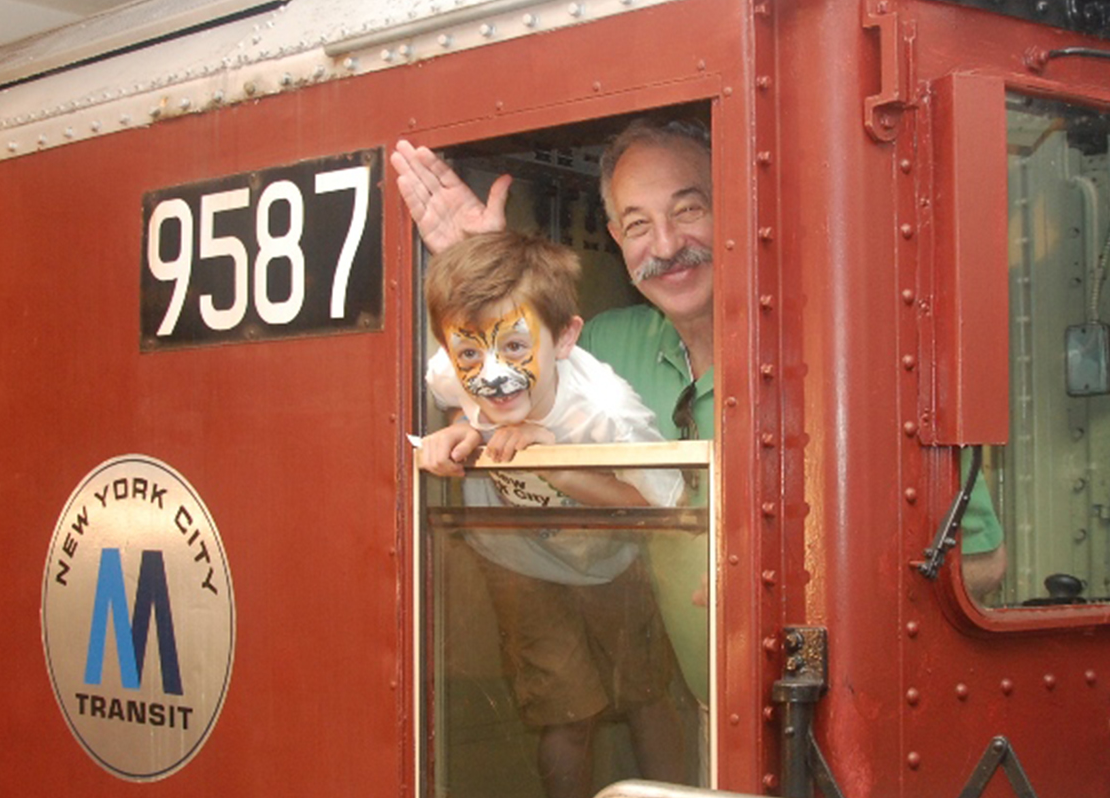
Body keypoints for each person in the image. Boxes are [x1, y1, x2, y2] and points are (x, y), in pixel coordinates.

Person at [394, 116, 1007, 699]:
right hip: (709, 715)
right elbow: (513, 388)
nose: (665, 244)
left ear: (737, 209)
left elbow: (981, 565)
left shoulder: (850, 356)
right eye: (637, 224)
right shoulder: (605, 348)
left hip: (846, 721)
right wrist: (487, 274)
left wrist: (802, 596)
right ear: (617, 240)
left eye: (689, 209)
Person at [419, 231, 693, 798]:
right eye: (470, 354)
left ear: (566, 337)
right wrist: (462, 428)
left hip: (609, 563)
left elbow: (671, 505)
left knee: (644, 697)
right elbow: (455, 395)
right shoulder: (453, 368)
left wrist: (565, 471)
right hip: (517, 560)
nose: (491, 374)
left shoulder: (607, 412)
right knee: (565, 715)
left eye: (516, 348)